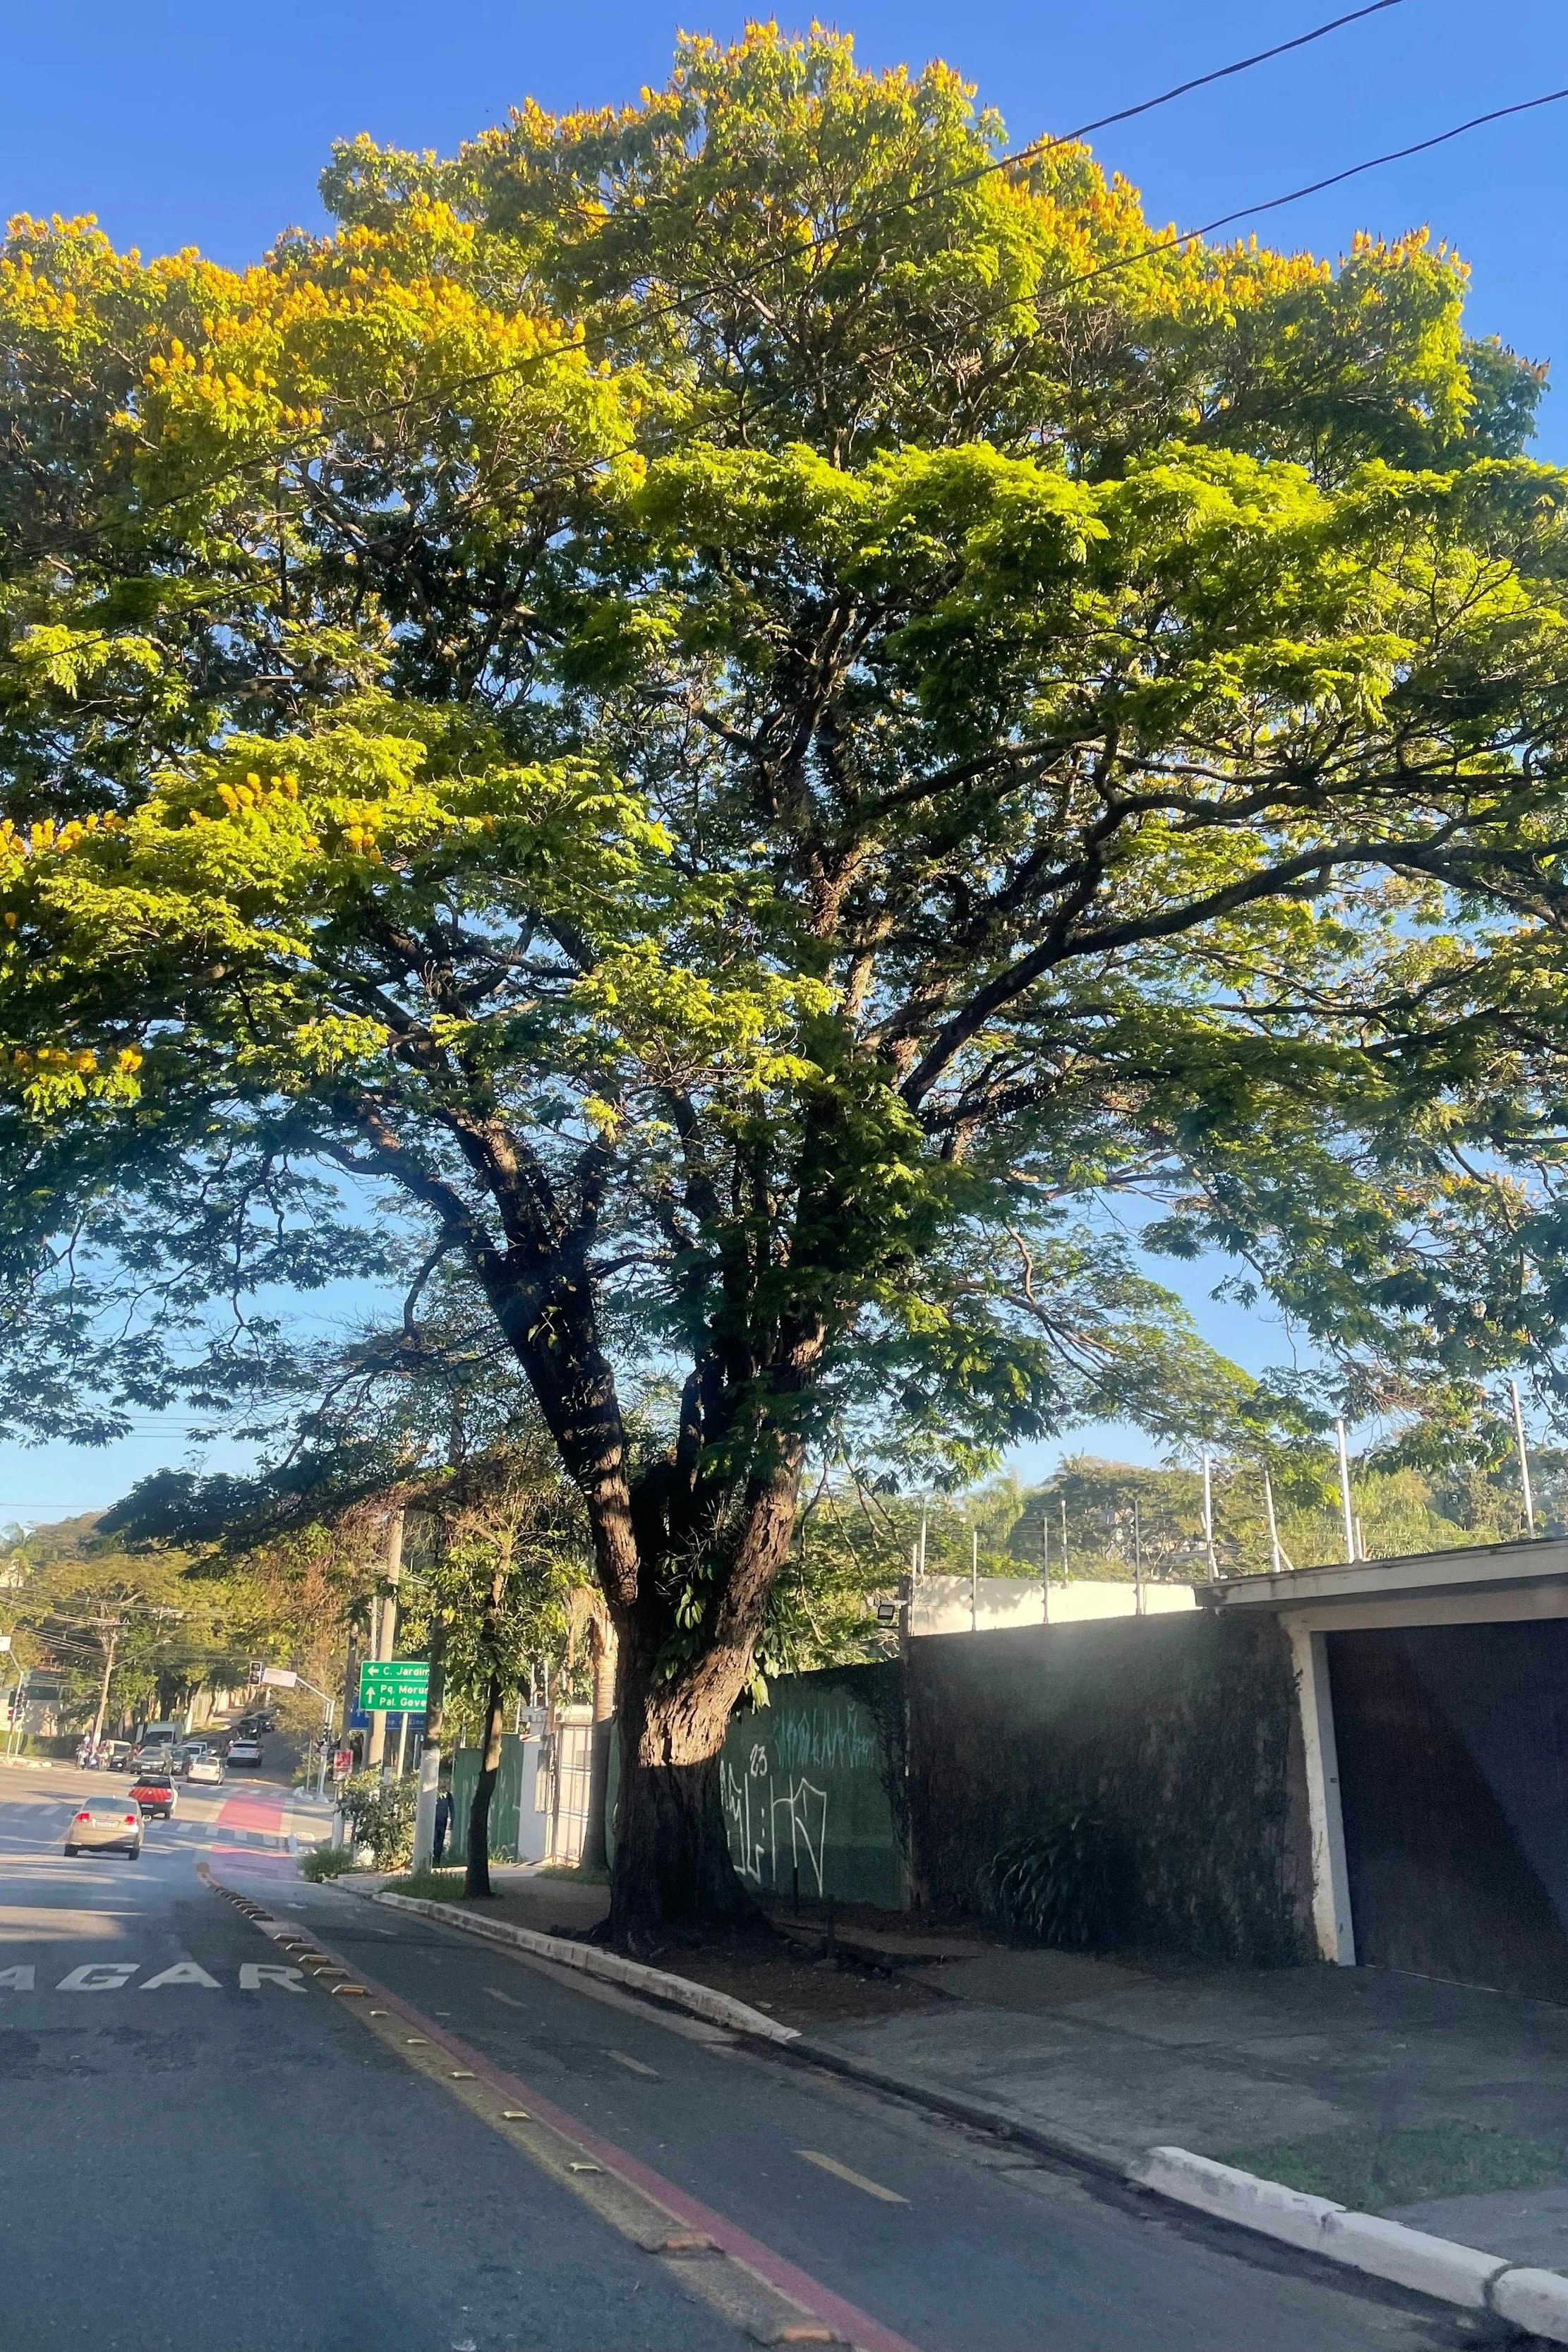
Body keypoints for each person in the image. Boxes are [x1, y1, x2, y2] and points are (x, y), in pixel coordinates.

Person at [433, 1783, 452, 1866]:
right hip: (434, 1822)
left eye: (444, 1787)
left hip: (442, 1822)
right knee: (434, 1841)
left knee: (440, 1842)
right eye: (441, 1787)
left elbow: (452, 1809)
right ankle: (434, 1860)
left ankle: (437, 1861)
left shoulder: (448, 1796)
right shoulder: (434, 1795)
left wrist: (452, 1821)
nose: (443, 1789)